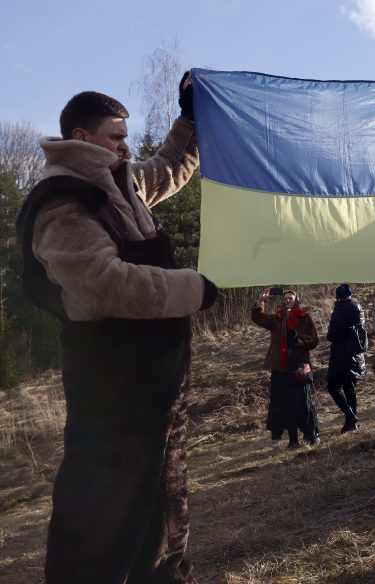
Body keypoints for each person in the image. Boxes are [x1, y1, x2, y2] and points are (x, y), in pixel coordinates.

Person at [16, 76, 215, 583]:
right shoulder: (63, 202)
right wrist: (193, 289)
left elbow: (169, 169)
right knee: (106, 516)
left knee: (160, 501)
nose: (126, 146)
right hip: (112, 390)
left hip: (153, 382)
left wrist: (190, 119)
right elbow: (103, 286)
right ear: (82, 137)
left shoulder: (120, 180)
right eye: (116, 137)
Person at [251, 289, 321, 448]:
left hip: (299, 366)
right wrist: (260, 300)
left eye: (291, 297)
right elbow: (257, 317)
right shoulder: (277, 318)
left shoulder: (304, 317)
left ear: (296, 299)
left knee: (304, 403)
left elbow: (314, 341)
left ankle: (312, 434)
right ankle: (293, 440)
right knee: (285, 405)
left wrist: (298, 339)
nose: (288, 300)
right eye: (285, 298)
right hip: (280, 367)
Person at [326, 283, 366, 432]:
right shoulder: (359, 307)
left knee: (333, 386)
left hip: (340, 355)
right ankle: (352, 423)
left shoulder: (339, 311)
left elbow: (331, 336)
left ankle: (350, 416)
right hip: (356, 354)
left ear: (338, 297)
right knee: (350, 387)